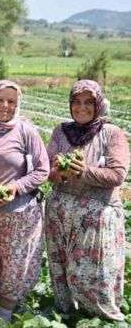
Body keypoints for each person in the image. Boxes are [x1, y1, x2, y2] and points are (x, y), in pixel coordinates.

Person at [44, 80, 129, 321]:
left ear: (99, 104)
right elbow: (48, 169)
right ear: (70, 104)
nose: (82, 108)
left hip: (97, 219)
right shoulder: (61, 131)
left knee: (96, 275)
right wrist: (59, 172)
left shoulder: (111, 133)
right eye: (77, 102)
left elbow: (117, 174)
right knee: (63, 271)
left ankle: (100, 320)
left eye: (89, 102)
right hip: (60, 218)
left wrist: (84, 171)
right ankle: (68, 317)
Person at [0, 80, 50, 322]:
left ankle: (5, 311)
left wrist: (14, 188)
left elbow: (42, 170)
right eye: (0, 100)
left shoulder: (26, 131)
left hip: (20, 214)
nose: (5, 106)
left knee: (15, 264)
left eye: (11, 102)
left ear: (17, 105)